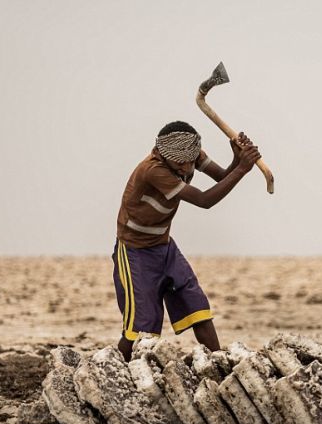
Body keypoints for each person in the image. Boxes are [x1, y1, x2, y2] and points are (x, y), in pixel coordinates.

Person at [112, 121, 261, 362]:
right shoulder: (154, 171)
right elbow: (204, 200)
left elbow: (222, 177)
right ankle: (113, 368)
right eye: (180, 162)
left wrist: (237, 159)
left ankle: (218, 362)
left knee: (196, 304)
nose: (187, 167)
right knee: (142, 327)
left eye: (191, 161)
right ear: (162, 154)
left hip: (164, 246)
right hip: (135, 252)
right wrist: (242, 169)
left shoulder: (189, 154)